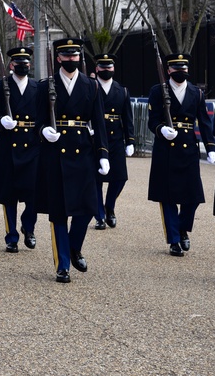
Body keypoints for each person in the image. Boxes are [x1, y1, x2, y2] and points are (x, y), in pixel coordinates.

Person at [35, 38, 109, 283]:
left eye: (74, 56)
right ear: (58, 58)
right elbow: (38, 120)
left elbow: (98, 122)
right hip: (56, 155)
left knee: (87, 208)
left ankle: (74, 246)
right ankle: (62, 264)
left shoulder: (91, 86)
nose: (71, 60)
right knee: (58, 213)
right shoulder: (46, 86)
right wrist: (43, 130)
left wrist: (103, 154)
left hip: (82, 153)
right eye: (66, 56)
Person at [147, 52, 215, 257]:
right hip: (165, 149)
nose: (181, 72)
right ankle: (174, 240)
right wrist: (161, 130)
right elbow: (152, 120)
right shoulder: (158, 91)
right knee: (167, 198)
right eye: (176, 69)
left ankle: (183, 228)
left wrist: (211, 147)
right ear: (168, 70)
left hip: (188, 149)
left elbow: (204, 122)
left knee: (192, 196)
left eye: (184, 68)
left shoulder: (196, 93)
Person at [0, 47, 39, 253]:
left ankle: (29, 226)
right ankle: (11, 236)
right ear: (11, 65)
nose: (23, 65)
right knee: (9, 196)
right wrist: (1, 121)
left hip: (32, 146)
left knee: (33, 194)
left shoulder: (37, 87)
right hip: (9, 146)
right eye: (19, 62)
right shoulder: (1, 86)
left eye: (26, 62)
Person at [87, 54, 135, 230]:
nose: (106, 70)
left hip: (115, 139)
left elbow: (127, 117)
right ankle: (99, 215)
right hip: (95, 138)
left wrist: (130, 140)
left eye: (109, 67)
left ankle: (110, 207)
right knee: (96, 180)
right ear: (97, 68)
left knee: (120, 178)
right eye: (103, 67)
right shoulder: (91, 87)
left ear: (113, 69)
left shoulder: (121, 91)